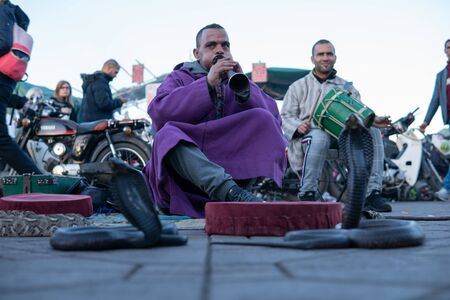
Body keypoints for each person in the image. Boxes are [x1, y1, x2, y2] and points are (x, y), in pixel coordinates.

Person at [143, 23, 287, 218]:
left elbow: (273, 119)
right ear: (196, 53)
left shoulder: (234, 78)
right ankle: (230, 193)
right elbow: (159, 112)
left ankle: (237, 192)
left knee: (263, 118)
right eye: (211, 45)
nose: (220, 50)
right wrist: (207, 83)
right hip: (186, 180)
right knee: (167, 135)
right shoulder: (178, 77)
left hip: (227, 166)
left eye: (225, 45)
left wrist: (246, 89)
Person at [280, 39, 392, 212]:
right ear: (312, 59)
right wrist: (298, 126)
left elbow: (359, 112)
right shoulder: (298, 86)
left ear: (335, 57)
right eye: (321, 54)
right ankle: (307, 192)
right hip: (310, 137)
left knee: (374, 132)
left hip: (343, 138)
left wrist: (373, 120)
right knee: (319, 136)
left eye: (329, 54)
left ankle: (372, 194)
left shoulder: (347, 87)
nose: (325, 58)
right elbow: (285, 116)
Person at [0, 0, 41, 174]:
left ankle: (40, 181)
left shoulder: (4, 11)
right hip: (7, 77)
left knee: (1, 139)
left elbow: (3, 42)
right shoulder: (12, 15)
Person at [419, 39, 450, 201]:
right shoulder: (441, 76)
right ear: (445, 51)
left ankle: (446, 188)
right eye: (448, 47)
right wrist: (426, 121)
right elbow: (435, 100)